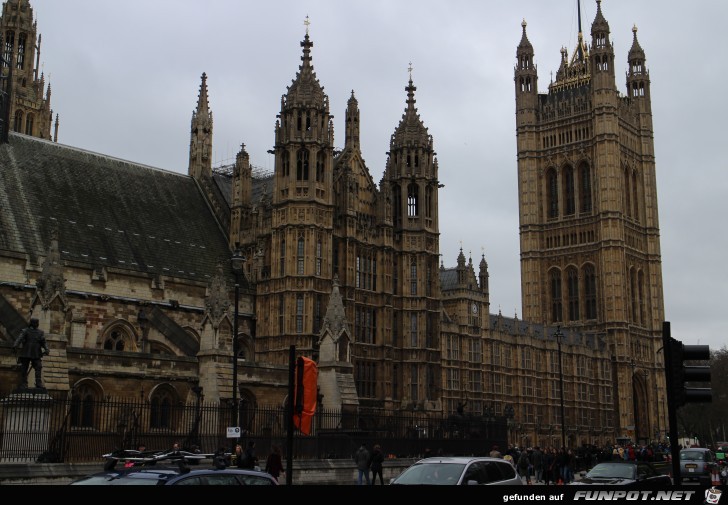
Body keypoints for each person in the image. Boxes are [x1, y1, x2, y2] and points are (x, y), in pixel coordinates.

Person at [13, 318, 49, 389]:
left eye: (37, 323)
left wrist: (46, 348)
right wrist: (15, 345)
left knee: (38, 366)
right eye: (36, 323)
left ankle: (38, 383)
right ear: (32, 323)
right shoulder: (25, 331)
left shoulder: (40, 332)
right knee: (24, 368)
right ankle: (24, 383)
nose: (37, 324)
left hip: (36, 352)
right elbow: (19, 338)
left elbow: (43, 342)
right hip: (26, 351)